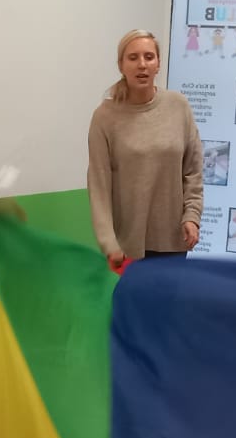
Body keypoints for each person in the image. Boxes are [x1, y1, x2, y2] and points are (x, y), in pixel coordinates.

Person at [87, 29, 204, 267]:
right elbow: (99, 185)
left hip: (174, 242)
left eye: (149, 57)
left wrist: (192, 216)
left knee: (169, 294)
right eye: (133, 58)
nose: (142, 64)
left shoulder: (178, 106)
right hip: (126, 246)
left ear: (158, 64)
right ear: (121, 65)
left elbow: (193, 170)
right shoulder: (105, 116)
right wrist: (108, 242)